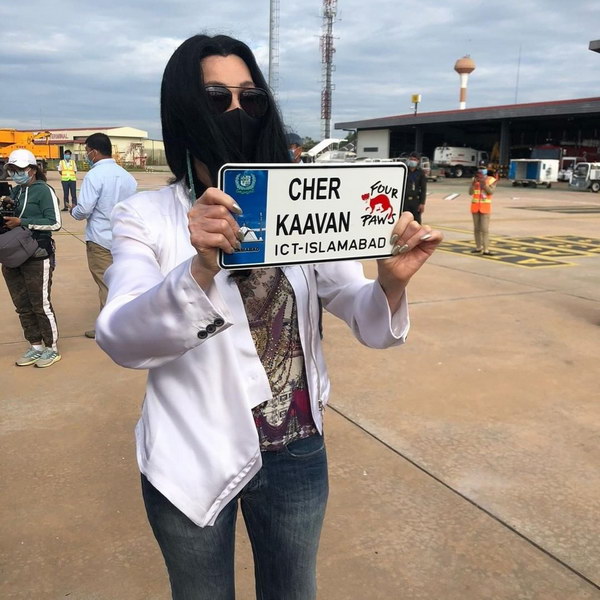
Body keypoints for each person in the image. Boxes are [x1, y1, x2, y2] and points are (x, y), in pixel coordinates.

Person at [96, 34, 442, 600]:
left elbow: (359, 310)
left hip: (296, 450)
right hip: (192, 453)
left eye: (249, 97)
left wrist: (390, 283)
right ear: (184, 107)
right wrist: (199, 268)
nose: (236, 110)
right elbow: (121, 337)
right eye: (216, 97)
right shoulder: (145, 216)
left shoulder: (302, 203)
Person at [71, 133, 137, 339]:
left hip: (100, 239)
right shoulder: (127, 176)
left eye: (87, 151)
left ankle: (109, 329)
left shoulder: (94, 176)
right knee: (122, 282)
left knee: (105, 283)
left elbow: (84, 209)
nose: (86, 155)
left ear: (94, 151)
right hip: (123, 237)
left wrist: (74, 211)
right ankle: (126, 323)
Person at [2, 149, 62, 368]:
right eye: (12, 170)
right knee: (22, 304)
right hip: (13, 254)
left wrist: (23, 222)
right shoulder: (16, 191)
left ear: (33, 169)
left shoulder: (43, 190)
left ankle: (51, 348)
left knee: (40, 304)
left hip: (37, 253)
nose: (16, 174)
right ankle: (35, 345)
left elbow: (55, 222)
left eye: (20, 169)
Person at [468, 160, 497, 255]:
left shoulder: (491, 180)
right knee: (476, 229)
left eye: (483, 168)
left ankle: (486, 249)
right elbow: (470, 193)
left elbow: (491, 192)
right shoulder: (474, 179)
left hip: (485, 207)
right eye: (480, 168)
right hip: (475, 207)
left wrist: (484, 185)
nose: (481, 170)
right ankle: (478, 247)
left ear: (486, 170)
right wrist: (473, 184)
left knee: (485, 229)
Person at [402, 151, 427, 223]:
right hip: (405, 201)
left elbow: (423, 189)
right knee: (404, 221)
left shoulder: (420, 173)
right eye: (411, 159)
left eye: (414, 160)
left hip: (415, 201)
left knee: (416, 221)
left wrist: (422, 203)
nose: (412, 161)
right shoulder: (404, 171)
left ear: (418, 161)